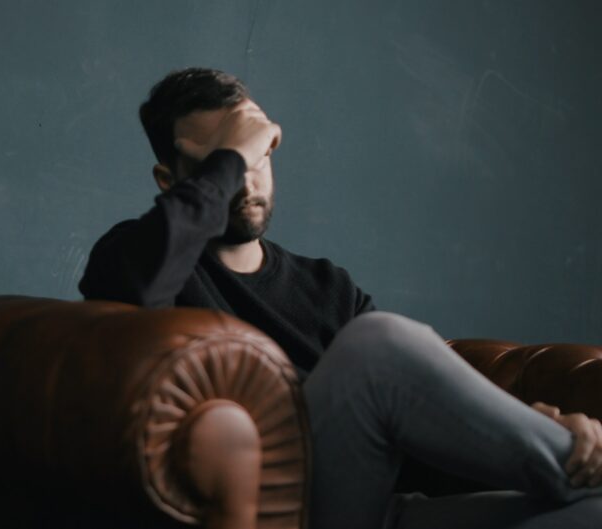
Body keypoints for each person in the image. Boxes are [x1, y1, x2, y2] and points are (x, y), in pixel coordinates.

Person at [78, 67, 602, 529]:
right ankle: (573, 461)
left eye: (257, 152)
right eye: (224, 162)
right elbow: (135, 296)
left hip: (376, 510)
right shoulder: (133, 256)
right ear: (171, 181)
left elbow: (413, 442)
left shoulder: (328, 287)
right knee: (378, 343)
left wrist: (530, 426)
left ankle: (568, 461)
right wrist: (234, 155)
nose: (246, 178)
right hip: (276, 513)